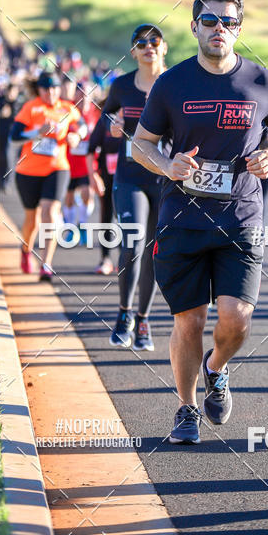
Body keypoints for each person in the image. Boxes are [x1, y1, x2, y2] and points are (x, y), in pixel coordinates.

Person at [132, 0, 268, 445]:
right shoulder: (172, 83)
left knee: (236, 317)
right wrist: (168, 165)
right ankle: (186, 410)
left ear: (239, 30)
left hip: (241, 216)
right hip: (182, 218)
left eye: (228, 22)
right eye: (210, 20)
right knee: (190, 320)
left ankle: (216, 368)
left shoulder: (262, 81)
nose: (219, 28)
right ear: (194, 27)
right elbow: (140, 144)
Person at [105, 24, 168, 351]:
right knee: (132, 239)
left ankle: (143, 319)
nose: (148, 47)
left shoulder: (176, 83)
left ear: (164, 47)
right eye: (141, 43)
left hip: (164, 176)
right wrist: (113, 127)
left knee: (153, 253)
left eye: (154, 41)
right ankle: (124, 314)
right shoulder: (122, 86)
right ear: (133, 52)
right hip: (130, 174)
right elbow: (107, 119)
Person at [11, 71, 87, 280]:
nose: (51, 93)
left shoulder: (66, 108)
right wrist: (36, 132)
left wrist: (76, 135)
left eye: (54, 88)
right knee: (31, 221)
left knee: (50, 212)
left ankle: (46, 263)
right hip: (28, 171)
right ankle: (26, 250)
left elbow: (82, 125)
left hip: (57, 168)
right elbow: (14, 136)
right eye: (46, 89)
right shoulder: (31, 107)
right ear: (39, 90)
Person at [62, 79, 100, 245]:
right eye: (81, 93)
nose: (84, 97)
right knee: (68, 198)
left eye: (87, 94)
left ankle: (83, 225)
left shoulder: (96, 113)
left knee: (87, 194)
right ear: (76, 94)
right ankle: (70, 228)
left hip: (88, 164)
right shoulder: (67, 110)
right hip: (68, 163)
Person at [86, 110, 121, 275]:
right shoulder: (106, 120)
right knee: (107, 216)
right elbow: (91, 149)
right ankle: (105, 258)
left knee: (127, 218)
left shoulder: (141, 115)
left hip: (132, 179)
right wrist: (93, 177)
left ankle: (125, 259)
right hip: (107, 178)